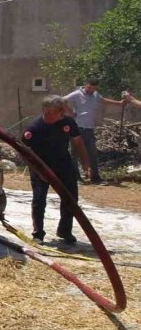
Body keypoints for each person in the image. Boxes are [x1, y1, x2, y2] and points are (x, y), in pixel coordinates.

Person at [21, 96, 90, 244]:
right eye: (46, 113)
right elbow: (24, 153)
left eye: (52, 113)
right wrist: (39, 172)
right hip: (40, 166)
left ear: (61, 112)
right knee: (39, 200)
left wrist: (85, 162)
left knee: (70, 199)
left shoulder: (68, 122)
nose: (48, 117)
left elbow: (78, 142)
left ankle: (65, 231)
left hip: (63, 165)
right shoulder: (34, 128)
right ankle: (38, 233)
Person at [64, 78, 124, 185]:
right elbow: (62, 101)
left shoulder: (95, 95)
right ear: (85, 85)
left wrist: (119, 103)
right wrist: (70, 113)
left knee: (92, 153)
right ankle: (75, 178)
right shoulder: (77, 94)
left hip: (89, 129)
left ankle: (95, 178)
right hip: (77, 128)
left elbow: (103, 100)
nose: (91, 90)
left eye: (94, 88)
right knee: (75, 154)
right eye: (89, 87)